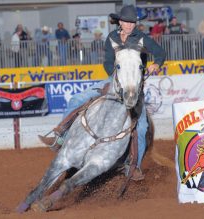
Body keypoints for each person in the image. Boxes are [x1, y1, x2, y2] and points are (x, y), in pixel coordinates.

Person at [39, 4, 166, 181]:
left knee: (142, 126)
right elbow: (107, 63)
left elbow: (160, 53)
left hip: (133, 87)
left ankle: (134, 166)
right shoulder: (112, 37)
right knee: (77, 99)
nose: (129, 25)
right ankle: (61, 136)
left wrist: (156, 64)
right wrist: (115, 76)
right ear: (120, 22)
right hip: (113, 80)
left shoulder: (142, 38)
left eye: (132, 22)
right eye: (127, 22)